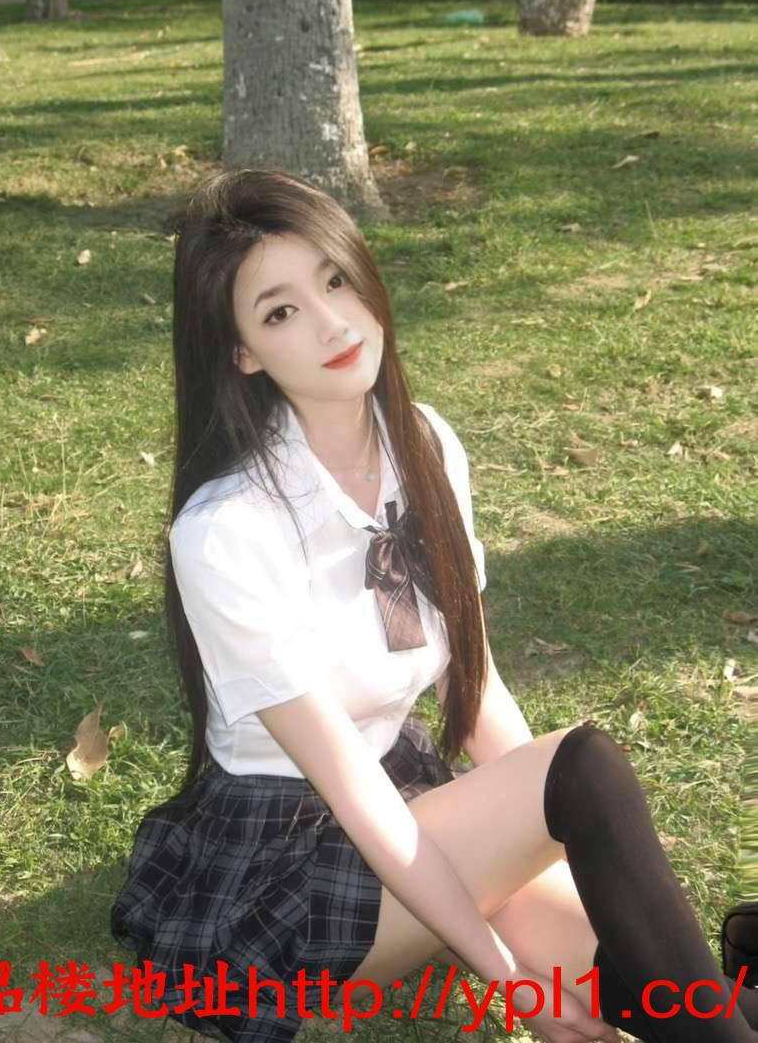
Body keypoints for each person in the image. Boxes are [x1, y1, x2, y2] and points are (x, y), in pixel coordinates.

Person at [110, 168, 757, 1043]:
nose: (333, 322)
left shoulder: (425, 443)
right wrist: (509, 980)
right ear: (244, 353)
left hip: (409, 802)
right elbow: (349, 787)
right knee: (584, 767)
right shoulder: (227, 530)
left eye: (335, 280)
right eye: (281, 311)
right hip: (292, 866)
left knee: (659, 981)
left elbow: (474, 689)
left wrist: (559, 840)